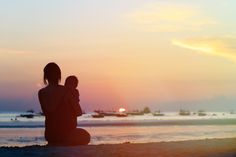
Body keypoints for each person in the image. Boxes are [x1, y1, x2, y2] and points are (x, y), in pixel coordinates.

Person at [38, 62, 90, 146]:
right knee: (86, 136)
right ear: (59, 75)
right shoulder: (66, 90)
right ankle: (66, 141)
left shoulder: (41, 93)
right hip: (66, 134)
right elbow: (78, 112)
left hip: (50, 135)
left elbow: (46, 113)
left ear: (45, 76)